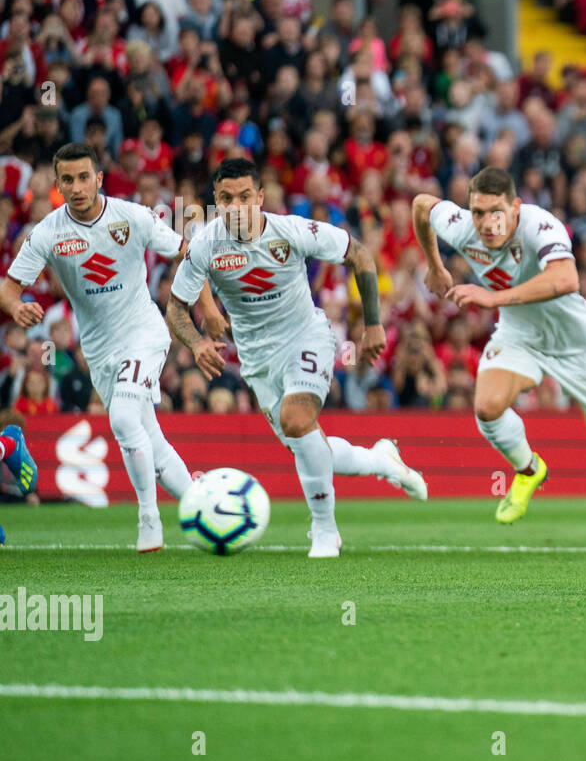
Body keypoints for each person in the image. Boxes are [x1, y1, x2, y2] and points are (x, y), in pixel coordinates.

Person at [413, 167, 586, 553]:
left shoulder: (540, 225)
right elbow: (422, 205)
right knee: (487, 407)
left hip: (575, 342)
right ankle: (529, 469)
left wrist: (493, 298)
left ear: (515, 207)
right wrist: (435, 265)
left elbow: (566, 280)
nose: (487, 223)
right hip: (519, 335)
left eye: (495, 212)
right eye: (478, 212)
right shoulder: (462, 228)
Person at [166, 158, 427, 558]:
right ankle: (382, 460)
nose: (236, 207)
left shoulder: (290, 231)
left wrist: (373, 325)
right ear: (216, 203)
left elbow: (360, 255)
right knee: (305, 445)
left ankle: (325, 531)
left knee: (298, 420)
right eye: (225, 199)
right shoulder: (205, 244)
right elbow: (175, 308)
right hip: (256, 360)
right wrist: (197, 343)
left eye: (244, 197)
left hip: (306, 337)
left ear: (261, 198)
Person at [0, 143, 215, 550]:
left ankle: (149, 519)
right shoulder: (48, 232)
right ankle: (201, 507)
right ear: (58, 185)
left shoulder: (133, 217)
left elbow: (187, 255)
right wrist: (17, 307)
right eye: (68, 180)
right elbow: (9, 288)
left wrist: (205, 310)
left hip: (144, 333)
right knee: (148, 436)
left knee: (121, 417)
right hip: (99, 351)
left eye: (84, 177)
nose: (77, 186)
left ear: (99, 178)